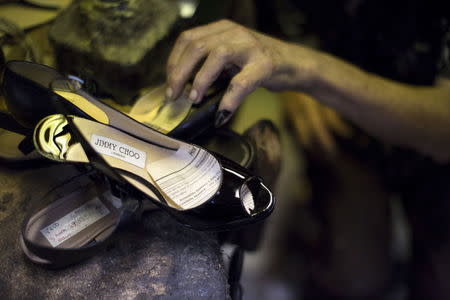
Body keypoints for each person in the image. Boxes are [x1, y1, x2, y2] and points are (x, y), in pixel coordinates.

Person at [165, 3, 450, 299]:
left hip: (433, 134)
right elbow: (273, 24)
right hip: (345, 121)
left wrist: (306, 71)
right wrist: (295, 90)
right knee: (355, 277)